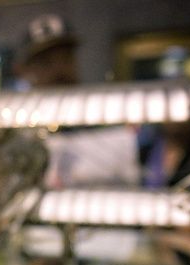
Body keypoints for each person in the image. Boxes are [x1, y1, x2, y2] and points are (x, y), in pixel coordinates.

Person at [13, 14, 140, 189]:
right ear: (24, 71)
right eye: (45, 62)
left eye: (66, 58)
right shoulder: (15, 131)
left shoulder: (105, 121)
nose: (59, 69)